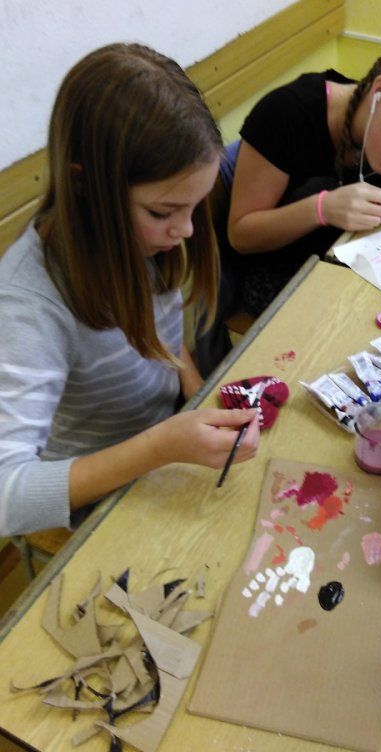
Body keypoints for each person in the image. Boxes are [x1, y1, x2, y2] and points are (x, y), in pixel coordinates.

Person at [0, 43, 260, 537]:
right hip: (97, 499)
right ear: (85, 185)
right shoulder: (27, 306)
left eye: (194, 207)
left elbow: (162, 338)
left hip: (161, 450)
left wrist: (198, 397)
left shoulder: (141, 238)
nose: (185, 230)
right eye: (163, 212)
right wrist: (160, 446)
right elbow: (5, 497)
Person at [194, 26, 381, 367]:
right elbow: (241, 234)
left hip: (336, 262)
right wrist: (321, 208)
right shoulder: (287, 115)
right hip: (268, 274)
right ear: (379, 92)